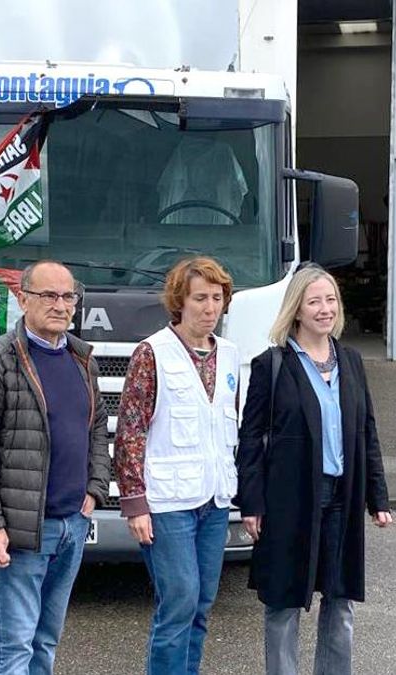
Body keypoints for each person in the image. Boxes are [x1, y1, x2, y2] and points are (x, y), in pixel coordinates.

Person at [0, 260, 111, 675]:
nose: (60, 305)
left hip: (71, 526)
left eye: (68, 296)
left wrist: (94, 492)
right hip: (22, 530)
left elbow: (96, 429)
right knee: (15, 644)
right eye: (48, 296)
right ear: (23, 299)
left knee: (46, 640)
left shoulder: (83, 361)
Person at [236, 264, 393, 675]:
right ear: (297, 310)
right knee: (284, 603)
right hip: (289, 500)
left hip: (342, 497)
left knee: (339, 603)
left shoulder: (352, 362)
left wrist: (378, 498)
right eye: (315, 301)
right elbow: (250, 440)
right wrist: (251, 503)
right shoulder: (272, 366)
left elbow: (367, 432)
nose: (325, 309)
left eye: (331, 300)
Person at [113, 256, 241, 675]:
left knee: (202, 604)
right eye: (200, 298)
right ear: (179, 303)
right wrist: (135, 503)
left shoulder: (231, 356)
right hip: (168, 503)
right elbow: (130, 430)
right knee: (180, 601)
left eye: (217, 298)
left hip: (214, 498)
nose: (209, 307)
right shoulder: (152, 353)